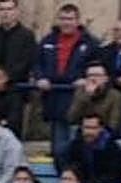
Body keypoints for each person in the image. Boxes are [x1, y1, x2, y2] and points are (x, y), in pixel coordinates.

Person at [34, 4, 98, 164]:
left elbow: (97, 66)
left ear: (77, 21)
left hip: (78, 99)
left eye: (70, 19)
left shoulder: (90, 43)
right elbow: (37, 63)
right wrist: (40, 77)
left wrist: (86, 78)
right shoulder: (48, 41)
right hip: (54, 99)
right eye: (63, 19)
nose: (66, 22)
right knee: (58, 148)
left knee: (76, 147)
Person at [67, 62, 121, 133]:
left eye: (97, 75)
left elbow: (114, 123)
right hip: (83, 131)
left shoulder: (115, 95)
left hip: (103, 132)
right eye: (89, 75)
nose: (93, 78)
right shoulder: (80, 92)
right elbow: (71, 118)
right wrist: (87, 95)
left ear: (106, 78)